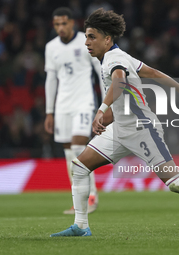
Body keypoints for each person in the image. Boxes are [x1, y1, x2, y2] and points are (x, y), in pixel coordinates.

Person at [50, 8, 179, 236]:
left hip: (143, 129)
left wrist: (101, 110)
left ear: (107, 39)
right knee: (79, 167)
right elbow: (153, 73)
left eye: (92, 37)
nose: (86, 42)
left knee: (176, 183)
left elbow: (119, 83)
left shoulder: (114, 60)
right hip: (120, 130)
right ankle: (81, 227)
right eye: (86, 36)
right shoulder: (119, 56)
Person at [44, 7, 102, 214]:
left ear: (72, 23)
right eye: (57, 24)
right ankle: (79, 199)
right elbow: (51, 80)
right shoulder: (51, 47)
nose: (60, 28)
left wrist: (105, 104)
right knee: (70, 153)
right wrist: (49, 111)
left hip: (84, 103)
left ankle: (91, 196)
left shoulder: (86, 41)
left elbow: (99, 71)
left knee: (78, 148)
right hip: (62, 106)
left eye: (64, 23)